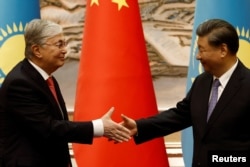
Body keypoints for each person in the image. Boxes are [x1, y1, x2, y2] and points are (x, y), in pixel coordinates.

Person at [0, 19, 130, 167]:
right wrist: (99, 127)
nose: (64, 50)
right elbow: (49, 129)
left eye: (65, 43)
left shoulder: (47, 79)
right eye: (59, 45)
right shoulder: (20, 83)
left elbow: (59, 125)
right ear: (37, 50)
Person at [121, 19, 250, 167]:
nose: (198, 56)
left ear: (223, 50)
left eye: (202, 50)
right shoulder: (202, 82)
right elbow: (180, 115)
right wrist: (139, 126)